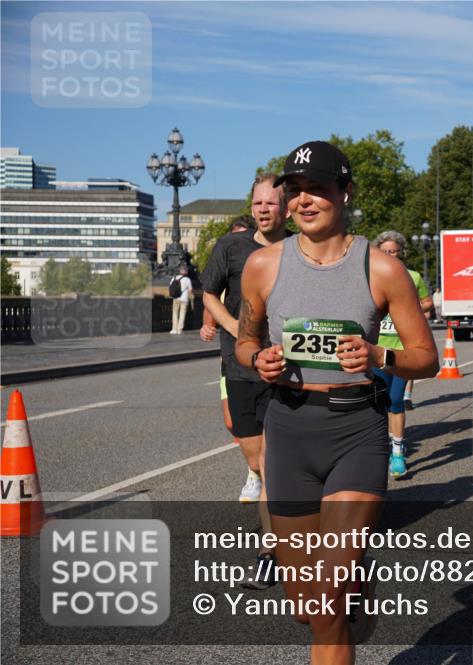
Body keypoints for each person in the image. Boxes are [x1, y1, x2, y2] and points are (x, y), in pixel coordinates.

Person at [237, 140, 438, 662]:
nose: (303, 201)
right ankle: (356, 588)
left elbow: (425, 357)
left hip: (356, 431)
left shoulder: (382, 269)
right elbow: (244, 339)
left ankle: (345, 590)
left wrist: (377, 355)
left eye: (318, 190)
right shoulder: (262, 265)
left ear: (345, 193)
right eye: (295, 191)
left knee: (326, 607)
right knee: (306, 608)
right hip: (288, 429)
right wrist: (257, 360)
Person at [202, 176, 290, 588]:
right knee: (256, 462)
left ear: (285, 206)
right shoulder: (230, 247)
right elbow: (209, 296)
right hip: (239, 369)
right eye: (257, 202)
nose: (263, 209)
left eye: (271, 203)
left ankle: (270, 553)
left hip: (285, 370)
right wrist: (238, 330)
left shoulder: (298, 248)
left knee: (274, 467)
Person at [373, 230, 432, 479]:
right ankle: (378, 448)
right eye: (384, 251)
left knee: (396, 400)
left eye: (393, 251)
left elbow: (428, 303)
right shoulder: (371, 276)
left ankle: (397, 452)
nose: (389, 255)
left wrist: (408, 307)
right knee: (377, 403)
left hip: (403, 350)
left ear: (401, 253)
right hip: (377, 349)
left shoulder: (413, 276)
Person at [200, 215, 255, 480]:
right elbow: (210, 298)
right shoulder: (224, 261)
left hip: (260, 349)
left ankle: (255, 472)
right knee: (232, 421)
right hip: (231, 351)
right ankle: (256, 465)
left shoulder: (258, 260)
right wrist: (208, 325)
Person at [169, 266, 193, 333]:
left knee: (175, 313)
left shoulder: (174, 278)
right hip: (184, 299)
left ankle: (174, 329)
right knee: (182, 314)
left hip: (176, 298)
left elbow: (170, 286)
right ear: (185, 272)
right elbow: (190, 290)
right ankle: (179, 329)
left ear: (180, 271)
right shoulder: (187, 279)